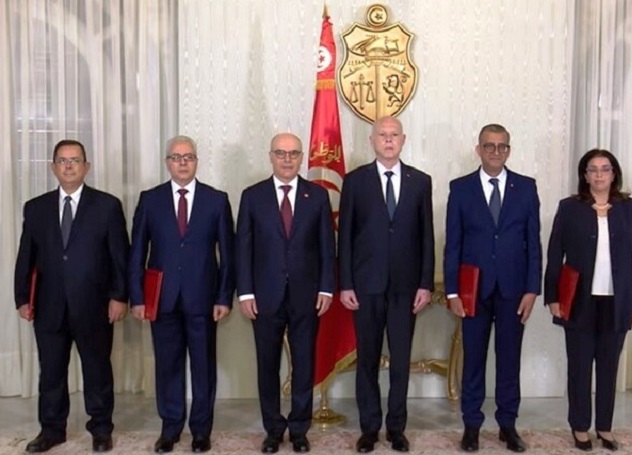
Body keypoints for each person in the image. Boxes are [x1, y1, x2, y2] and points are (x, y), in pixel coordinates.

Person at [14, 139, 129, 453]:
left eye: (75, 160)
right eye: (62, 161)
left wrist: (119, 296)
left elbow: (120, 256)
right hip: (48, 306)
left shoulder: (107, 206)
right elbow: (26, 256)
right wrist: (22, 298)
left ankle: (101, 429)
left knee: (97, 371)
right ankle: (52, 430)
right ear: (53, 167)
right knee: (51, 372)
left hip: (95, 306)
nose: (68, 166)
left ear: (86, 167)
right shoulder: (36, 208)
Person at [129, 135, 235, 454]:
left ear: (196, 161)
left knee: (203, 367)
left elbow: (228, 255)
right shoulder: (150, 200)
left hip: (203, 299)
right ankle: (170, 428)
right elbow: (137, 252)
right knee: (168, 366)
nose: (183, 163)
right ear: (168, 163)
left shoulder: (216, 200)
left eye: (188, 157)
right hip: (162, 300)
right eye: (176, 158)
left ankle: (201, 431)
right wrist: (137, 297)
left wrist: (223, 297)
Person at [338, 116, 434, 453]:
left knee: (401, 360)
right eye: (382, 135)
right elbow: (345, 237)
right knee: (367, 359)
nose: (389, 140)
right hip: (366, 286)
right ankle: (369, 428)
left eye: (394, 135)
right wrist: (346, 283)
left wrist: (425, 283)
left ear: (403, 140)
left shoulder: (420, 181)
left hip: (406, 288)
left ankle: (396, 428)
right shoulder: (355, 181)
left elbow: (426, 236)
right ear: (372, 140)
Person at [444, 124, 541, 453]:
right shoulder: (461, 188)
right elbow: (453, 244)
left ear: (509, 150)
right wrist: (453, 292)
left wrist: (532, 289)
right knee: (473, 359)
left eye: (502, 146)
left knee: (509, 360)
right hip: (473, 290)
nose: (496, 152)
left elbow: (534, 243)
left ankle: (507, 425)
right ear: (479, 149)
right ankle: (471, 425)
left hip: (514, 290)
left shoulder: (525, 188)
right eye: (489, 146)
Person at [544, 149, 632, 452]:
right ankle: (580, 427)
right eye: (593, 169)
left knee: (608, 367)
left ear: (614, 174)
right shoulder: (569, 208)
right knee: (579, 367)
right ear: (585, 175)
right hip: (579, 300)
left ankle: (605, 427)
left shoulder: (630, 209)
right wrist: (552, 296)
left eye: (605, 169)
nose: (599, 174)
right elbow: (555, 254)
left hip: (617, 301)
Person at [236, 132, 335, 454]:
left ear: (302, 157)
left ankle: (299, 429)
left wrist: (326, 287)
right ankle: (274, 429)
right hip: (264, 297)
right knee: (267, 365)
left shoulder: (317, 196)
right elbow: (243, 248)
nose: (287, 159)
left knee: (304, 364)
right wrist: (245, 293)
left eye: (293, 153)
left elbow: (326, 246)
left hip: (307, 295)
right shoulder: (253, 196)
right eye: (281, 153)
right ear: (271, 157)